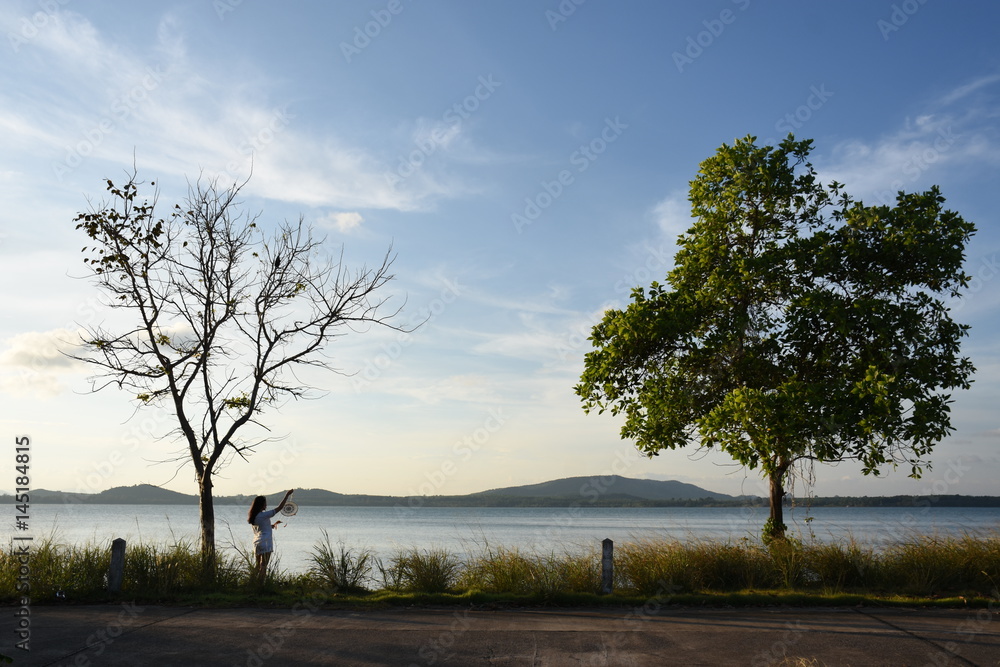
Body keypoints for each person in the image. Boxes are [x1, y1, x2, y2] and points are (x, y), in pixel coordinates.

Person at [247, 489, 294, 584]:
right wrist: (287, 495)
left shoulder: (254, 517)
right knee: (263, 566)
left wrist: (271, 526)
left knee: (257, 566)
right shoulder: (264, 515)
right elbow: (279, 508)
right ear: (261, 505)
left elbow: (261, 528)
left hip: (257, 543)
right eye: (265, 503)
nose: (266, 505)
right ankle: (260, 585)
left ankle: (251, 583)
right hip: (266, 543)